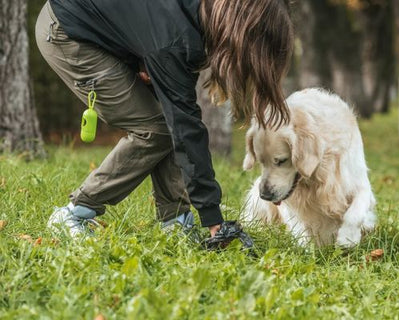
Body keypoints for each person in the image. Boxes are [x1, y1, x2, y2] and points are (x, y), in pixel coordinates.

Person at [35, 0, 294, 242]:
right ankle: (74, 211)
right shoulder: (176, 37)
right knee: (154, 129)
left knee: (167, 120)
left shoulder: (197, 17)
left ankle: (176, 222)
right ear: (240, 29)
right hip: (67, 31)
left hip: (104, 29)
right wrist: (213, 218)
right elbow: (185, 126)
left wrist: (142, 56)